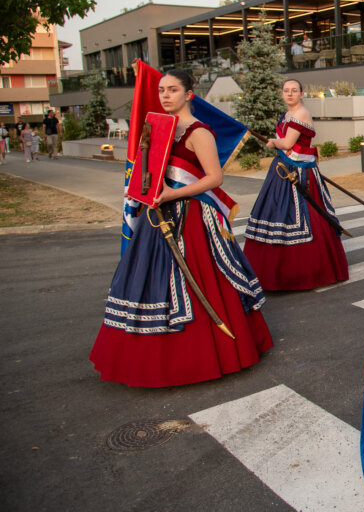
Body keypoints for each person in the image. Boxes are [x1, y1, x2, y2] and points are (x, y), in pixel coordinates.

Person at [90, 69, 272, 387]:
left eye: (173, 90)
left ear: (189, 94)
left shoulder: (199, 132)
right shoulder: (159, 129)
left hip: (190, 215)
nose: (165, 95)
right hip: (157, 214)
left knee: (200, 280)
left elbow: (214, 179)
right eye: (162, 89)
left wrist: (173, 193)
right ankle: (148, 358)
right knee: (149, 278)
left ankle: (209, 352)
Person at [243, 78, 349, 290]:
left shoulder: (302, 113)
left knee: (306, 216)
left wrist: (273, 143)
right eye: (286, 91)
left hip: (298, 172)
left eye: (294, 91)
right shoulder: (287, 114)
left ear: (302, 94)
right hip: (283, 168)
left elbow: (288, 143)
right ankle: (273, 271)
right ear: (282, 94)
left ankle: (307, 270)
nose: (290, 94)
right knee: (275, 213)